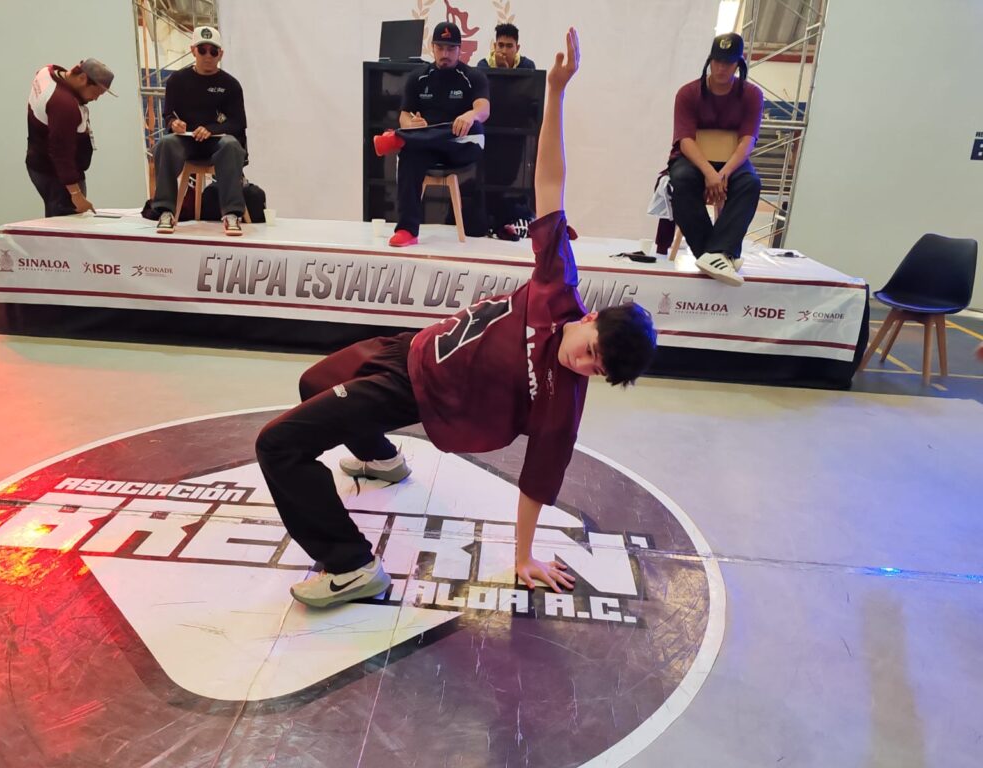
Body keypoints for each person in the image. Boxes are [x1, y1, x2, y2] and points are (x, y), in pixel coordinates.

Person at [256, 28, 658, 610]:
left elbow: (537, 482)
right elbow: (551, 183)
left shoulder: (561, 401)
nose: (585, 364)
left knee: (278, 445)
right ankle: (383, 461)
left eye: (597, 371)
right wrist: (556, 92)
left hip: (417, 390)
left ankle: (351, 566)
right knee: (312, 382)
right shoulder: (557, 286)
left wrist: (524, 557)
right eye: (593, 349)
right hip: (411, 346)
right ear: (590, 317)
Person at [373, 22, 491, 247]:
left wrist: (470, 115)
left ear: (460, 49)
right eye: (440, 48)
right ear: (432, 48)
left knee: (475, 128)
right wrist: (411, 125)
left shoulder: (473, 76)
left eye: (451, 48)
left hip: (461, 146)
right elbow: (404, 115)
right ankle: (407, 230)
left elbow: (484, 109)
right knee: (409, 153)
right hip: (427, 148)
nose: (445, 54)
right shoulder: (418, 77)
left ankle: (399, 138)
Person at [668, 32, 763, 287]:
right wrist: (710, 173)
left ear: (738, 64)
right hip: (694, 160)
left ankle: (717, 253)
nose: (721, 68)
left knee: (750, 183)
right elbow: (685, 140)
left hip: (731, 161)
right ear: (710, 60)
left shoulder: (751, 94)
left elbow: (748, 140)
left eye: (728, 63)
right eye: (717, 61)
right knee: (682, 180)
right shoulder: (688, 93)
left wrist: (724, 173)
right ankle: (715, 254)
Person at [151, 26, 248, 236]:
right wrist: (174, 124)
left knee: (231, 145)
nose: (208, 56)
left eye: (213, 51)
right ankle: (166, 211)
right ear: (193, 50)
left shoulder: (230, 85)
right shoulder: (177, 80)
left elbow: (238, 122)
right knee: (165, 143)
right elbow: (168, 115)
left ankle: (232, 214)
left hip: (217, 143)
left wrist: (211, 129)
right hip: (186, 141)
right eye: (202, 50)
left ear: (221, 54)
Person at [26, 59, 116, 217]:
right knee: (66, 223)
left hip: (40, 163)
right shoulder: (63, 104)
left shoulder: (47, 72)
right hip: (56, 175)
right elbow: (61, 154)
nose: (96, 98)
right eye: (96, 93)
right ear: (82, 78)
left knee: (57, 216)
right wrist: (76, 194)